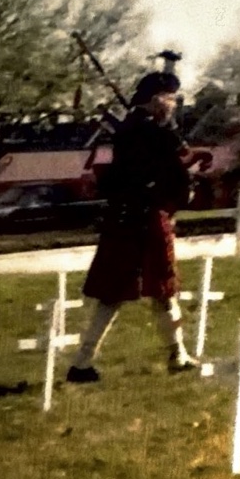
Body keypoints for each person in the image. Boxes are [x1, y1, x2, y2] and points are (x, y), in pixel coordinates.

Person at [67, 70, 212, 383]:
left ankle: (85, 362)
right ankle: (174, 356)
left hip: (125, 218)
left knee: (126, 294)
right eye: (170, 98)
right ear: (157, 98)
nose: (173, 104)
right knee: (157, 290)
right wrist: (196, 151)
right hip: (145, 218)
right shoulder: (151, 130)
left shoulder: (134, 127)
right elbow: (180, 159)